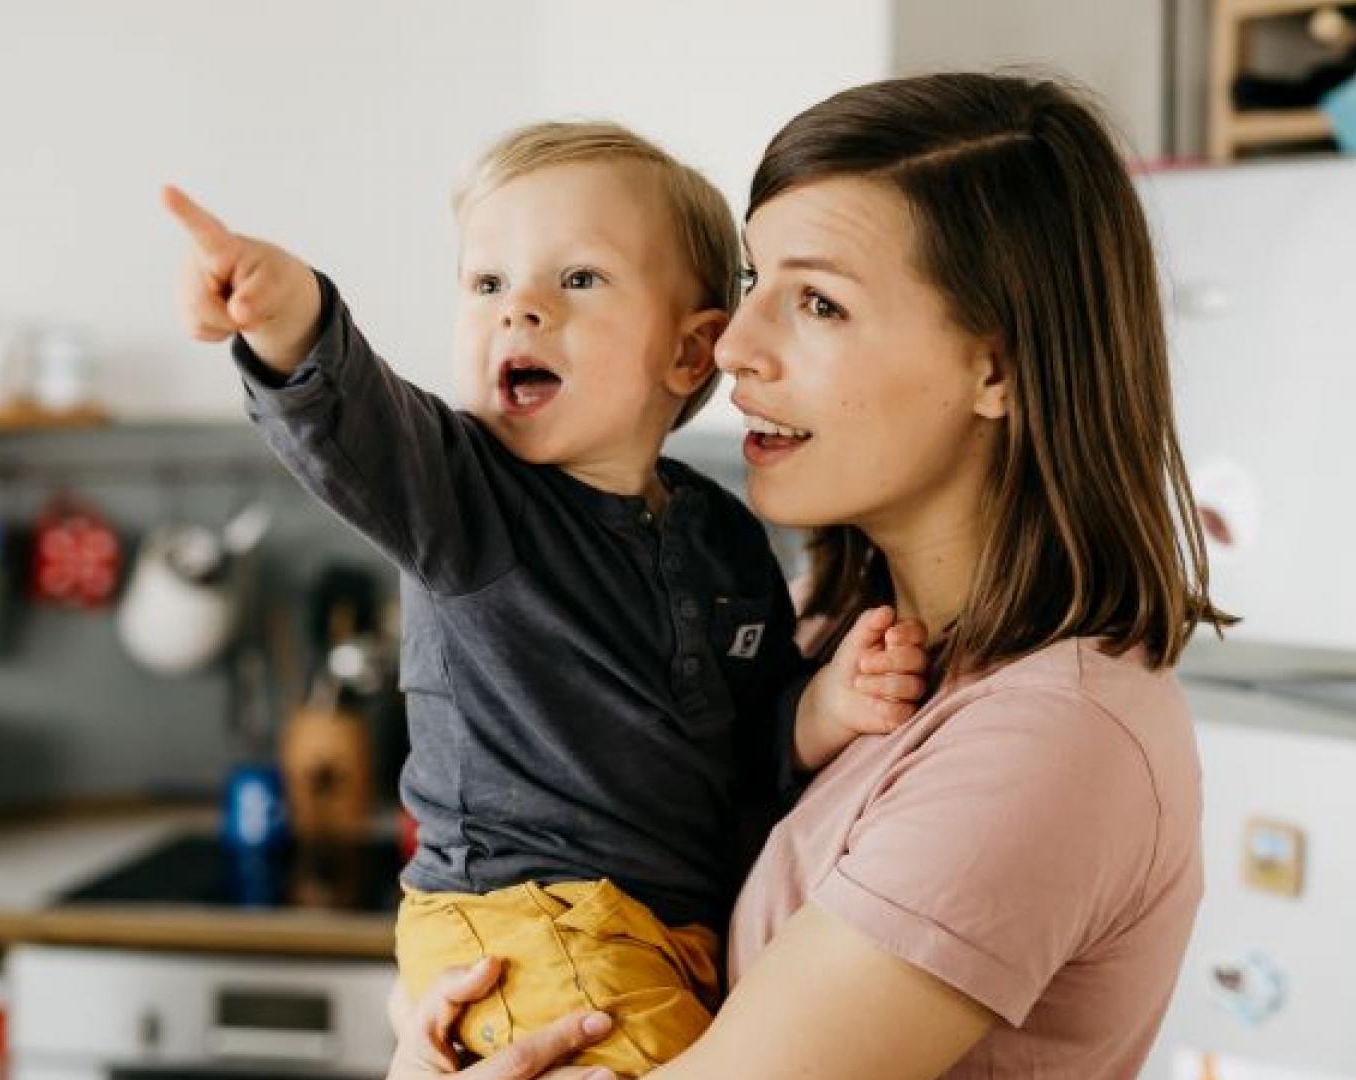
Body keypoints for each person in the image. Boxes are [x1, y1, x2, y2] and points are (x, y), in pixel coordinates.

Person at [385, 71, 1232, 1080]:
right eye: (754, 284)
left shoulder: (1055, 739)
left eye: (819, 303)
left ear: (996, 370)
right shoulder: (820, 634)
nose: (734, 347)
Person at [163, 121, 931, 1077]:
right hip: (525, 917)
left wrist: (825, 708)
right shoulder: (464, 500)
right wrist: (289, 314)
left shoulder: (725, 538)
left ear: (691, 350)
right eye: (487, 283)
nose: (519, 309)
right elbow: (348, 415)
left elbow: (745, 744)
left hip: (658, 933)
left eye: (578, 279)